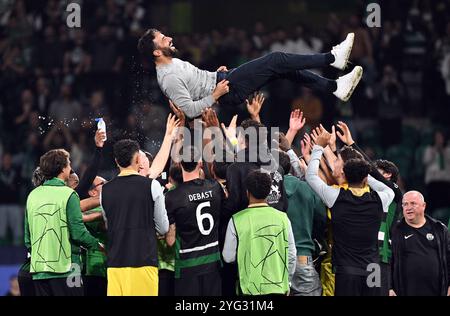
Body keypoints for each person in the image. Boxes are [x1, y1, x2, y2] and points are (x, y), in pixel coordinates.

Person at [138, 29, 363, 119]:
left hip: (221, 81)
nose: (168, 37)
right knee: (276, 59)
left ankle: (335, 88)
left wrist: (212, 76)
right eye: (162, 38)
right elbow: (188, 110)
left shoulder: (172, 62)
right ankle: (332, 58)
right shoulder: (167, 77)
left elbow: (195, 83)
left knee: (284, 69)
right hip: (226, 91)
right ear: (157, 51)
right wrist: (215, 94)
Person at [306, 129, 394, 296]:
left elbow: (310, 177)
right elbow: (387, 187)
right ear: (365, 178)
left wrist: (318, 147)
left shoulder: (335, 197)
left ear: (344, 175)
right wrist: (365, 174)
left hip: (347, 270)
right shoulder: (381, 199)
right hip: (373, 268)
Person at [24, 149, 102, 296]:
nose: (70, 167)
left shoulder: (32, 195)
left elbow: (28, 239)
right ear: (62, 168)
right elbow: (78, 233)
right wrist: (96, 245)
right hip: (68, 269)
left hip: (39, 271)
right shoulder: (69, 194)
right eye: (69, 163)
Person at [101, 139, 169, 296]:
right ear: (138, 159)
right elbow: (163, 227)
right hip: (143, 262)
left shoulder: (105, 190)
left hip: (115, 265)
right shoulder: (152, 185)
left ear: (116, 161)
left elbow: (109, 224)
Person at [222, 170, 296, 295]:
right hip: (279, 289)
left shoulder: (236, 220)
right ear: (268, 192)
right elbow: (292, 255)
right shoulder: (283, 218)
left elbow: (228, 257)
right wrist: (287, 282)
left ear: (247, 192)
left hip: (249, 290)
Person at [165, 146, 224, 296]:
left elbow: (170, 241)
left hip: (187, 265)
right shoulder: (215, 187)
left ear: (179, 164)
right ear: (199, 162)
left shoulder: (172, 197)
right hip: (213, 262)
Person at [278, 151, 326, 296]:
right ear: (289, 167)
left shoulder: (264, 191)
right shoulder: (306, 188)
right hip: (302, 256)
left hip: (274, 259)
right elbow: (321, 219)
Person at [390, 191, 450, 296]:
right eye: (405, 204)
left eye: (413, 203)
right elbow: (388, 262)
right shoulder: (395, 230)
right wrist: (389, 287)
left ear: (424, 206)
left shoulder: (439, 229)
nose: (408, 207)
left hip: (436, 291)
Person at [82, 176, 108, 296]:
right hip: (95, 269)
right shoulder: (88, 210)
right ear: (93, 192)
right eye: (103, 183)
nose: (107, 184)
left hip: (109, 266)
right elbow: (105, 226)